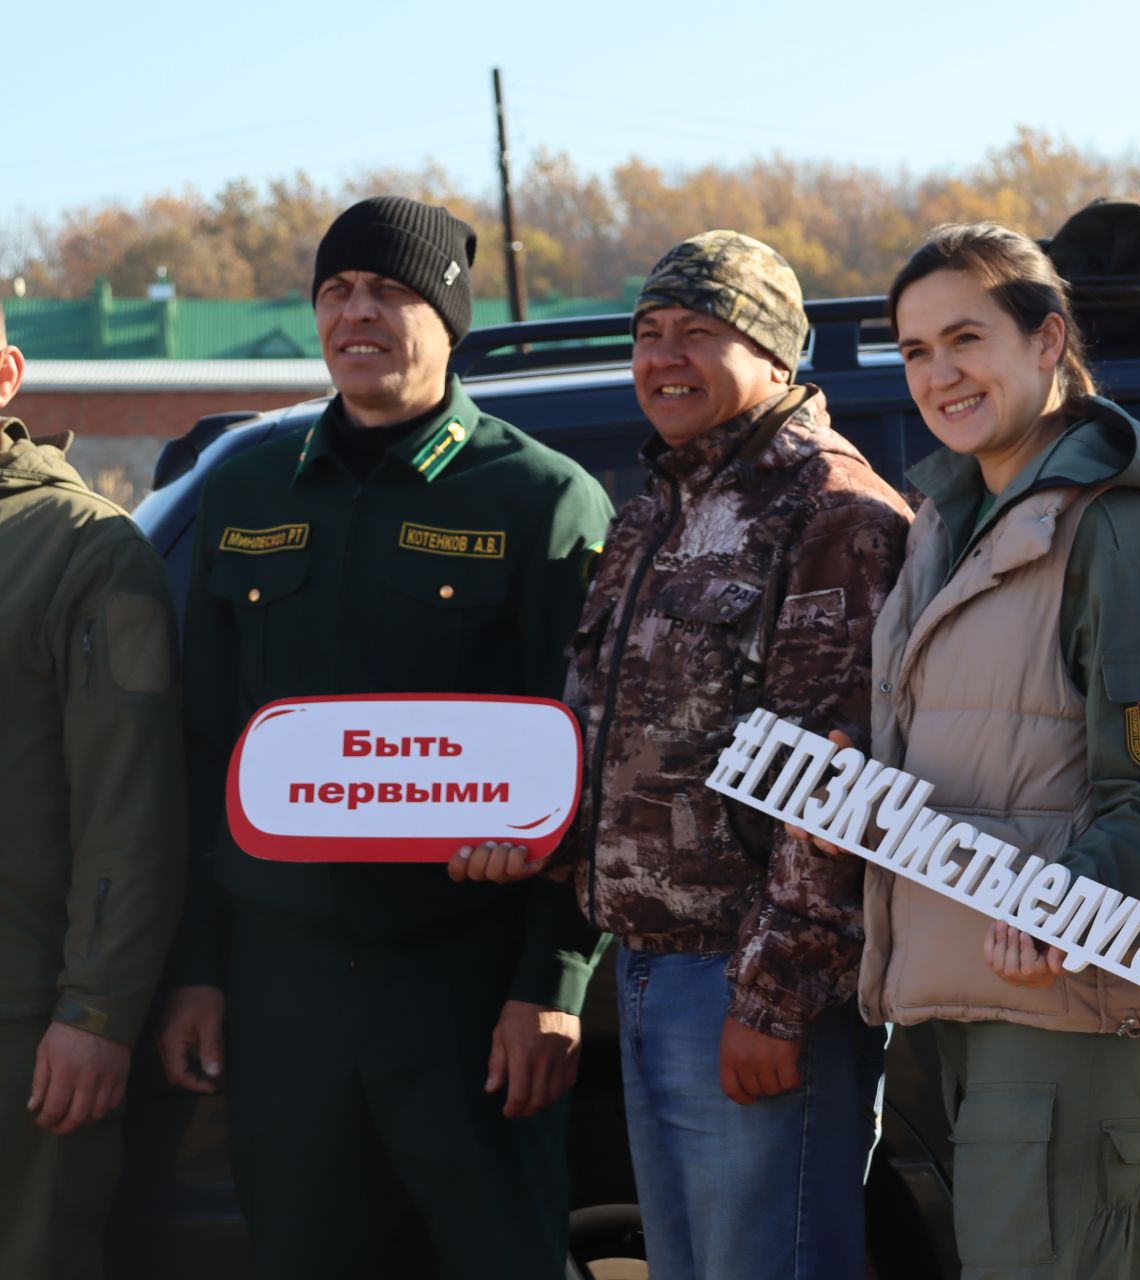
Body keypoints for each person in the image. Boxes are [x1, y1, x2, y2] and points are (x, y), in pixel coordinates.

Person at [153, 197, 613, 1279]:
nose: (358, 313)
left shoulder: (543, 498)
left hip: (462, 989)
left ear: (447, 317)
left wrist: (549, 983)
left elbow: (592, 762)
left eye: (392, 293)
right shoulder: (248, 486)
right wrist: (198, 970)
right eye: (337, 291)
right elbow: (203, 743)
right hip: (285, 992)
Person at [521, 230, 909, 1280]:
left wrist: (772, 999)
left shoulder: (833, 512)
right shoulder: (658, 510)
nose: (664, 357)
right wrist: (518, 838)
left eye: (700, 332)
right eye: (649, 334)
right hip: (648, 967)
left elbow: (841, 779)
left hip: (748, 978)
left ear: (779, 357)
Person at [854, 223, 1140, 1280]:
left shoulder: (1112, 526)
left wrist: (1065, 896)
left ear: (1046, 339)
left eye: (965, 337)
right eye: (916, 350)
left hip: (1071, 974)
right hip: (985, 971)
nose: (939, 373)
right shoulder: (956, 515)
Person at [0, 299, 188, 1280]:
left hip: (24, 1029)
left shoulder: (83, 546)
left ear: (7, 376)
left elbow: (131, 803)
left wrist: (96, 1013)